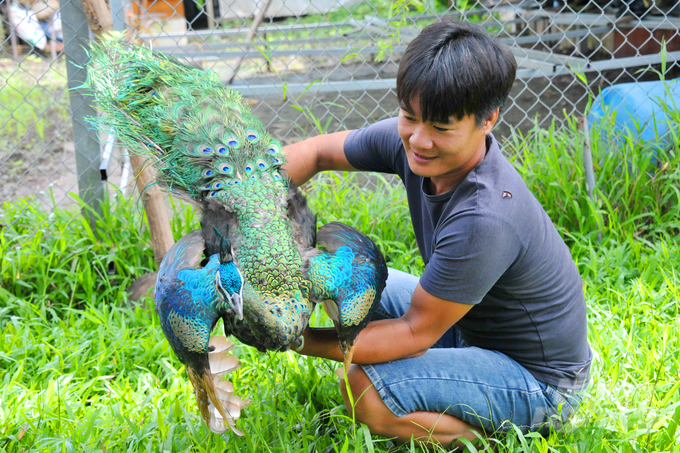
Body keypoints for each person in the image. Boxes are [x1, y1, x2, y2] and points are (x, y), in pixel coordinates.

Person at [282, 20, 591, 448]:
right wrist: (243, 201)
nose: (419, 141)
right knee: (342, 278)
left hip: (538, 380)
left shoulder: (484, 218)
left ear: (488, 120)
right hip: (469, 331)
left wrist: (293, 338)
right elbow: (315, 152)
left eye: (441, 128)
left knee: (363, 391)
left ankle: (488, 437)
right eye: (409, 117)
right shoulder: (411, 140)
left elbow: (414, 332)